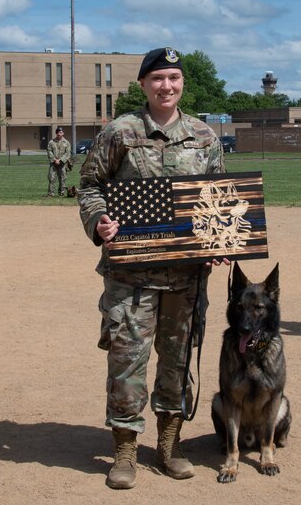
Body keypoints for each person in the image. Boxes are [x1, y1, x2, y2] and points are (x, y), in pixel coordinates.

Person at [77, 47, 225, 489]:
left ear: (183, 84)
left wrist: (219, 242)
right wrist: (98, 220)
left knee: (177, 361)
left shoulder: (204, 136)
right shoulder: (120, 132)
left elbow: (219, 197)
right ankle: (124, 448)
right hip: (130, 277)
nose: (167, 86)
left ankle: (168, 445)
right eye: (158, 78)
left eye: (174, 79)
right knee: (127, 363)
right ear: (143, 84)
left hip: (185, 277)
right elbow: (89, 186)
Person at [46, 127, 71, 196]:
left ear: (63, 133)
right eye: (57, 132)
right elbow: (49, 151)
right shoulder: (51, 142)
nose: (58, 134)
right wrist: (54, 160)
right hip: (53, 163)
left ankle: (61, 193)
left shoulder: (66, 142)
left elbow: (68, 153)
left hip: (62, 163)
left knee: (62, 178)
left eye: (60, 132)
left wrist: (61, 160)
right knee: (51, 178)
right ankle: (51, 193)